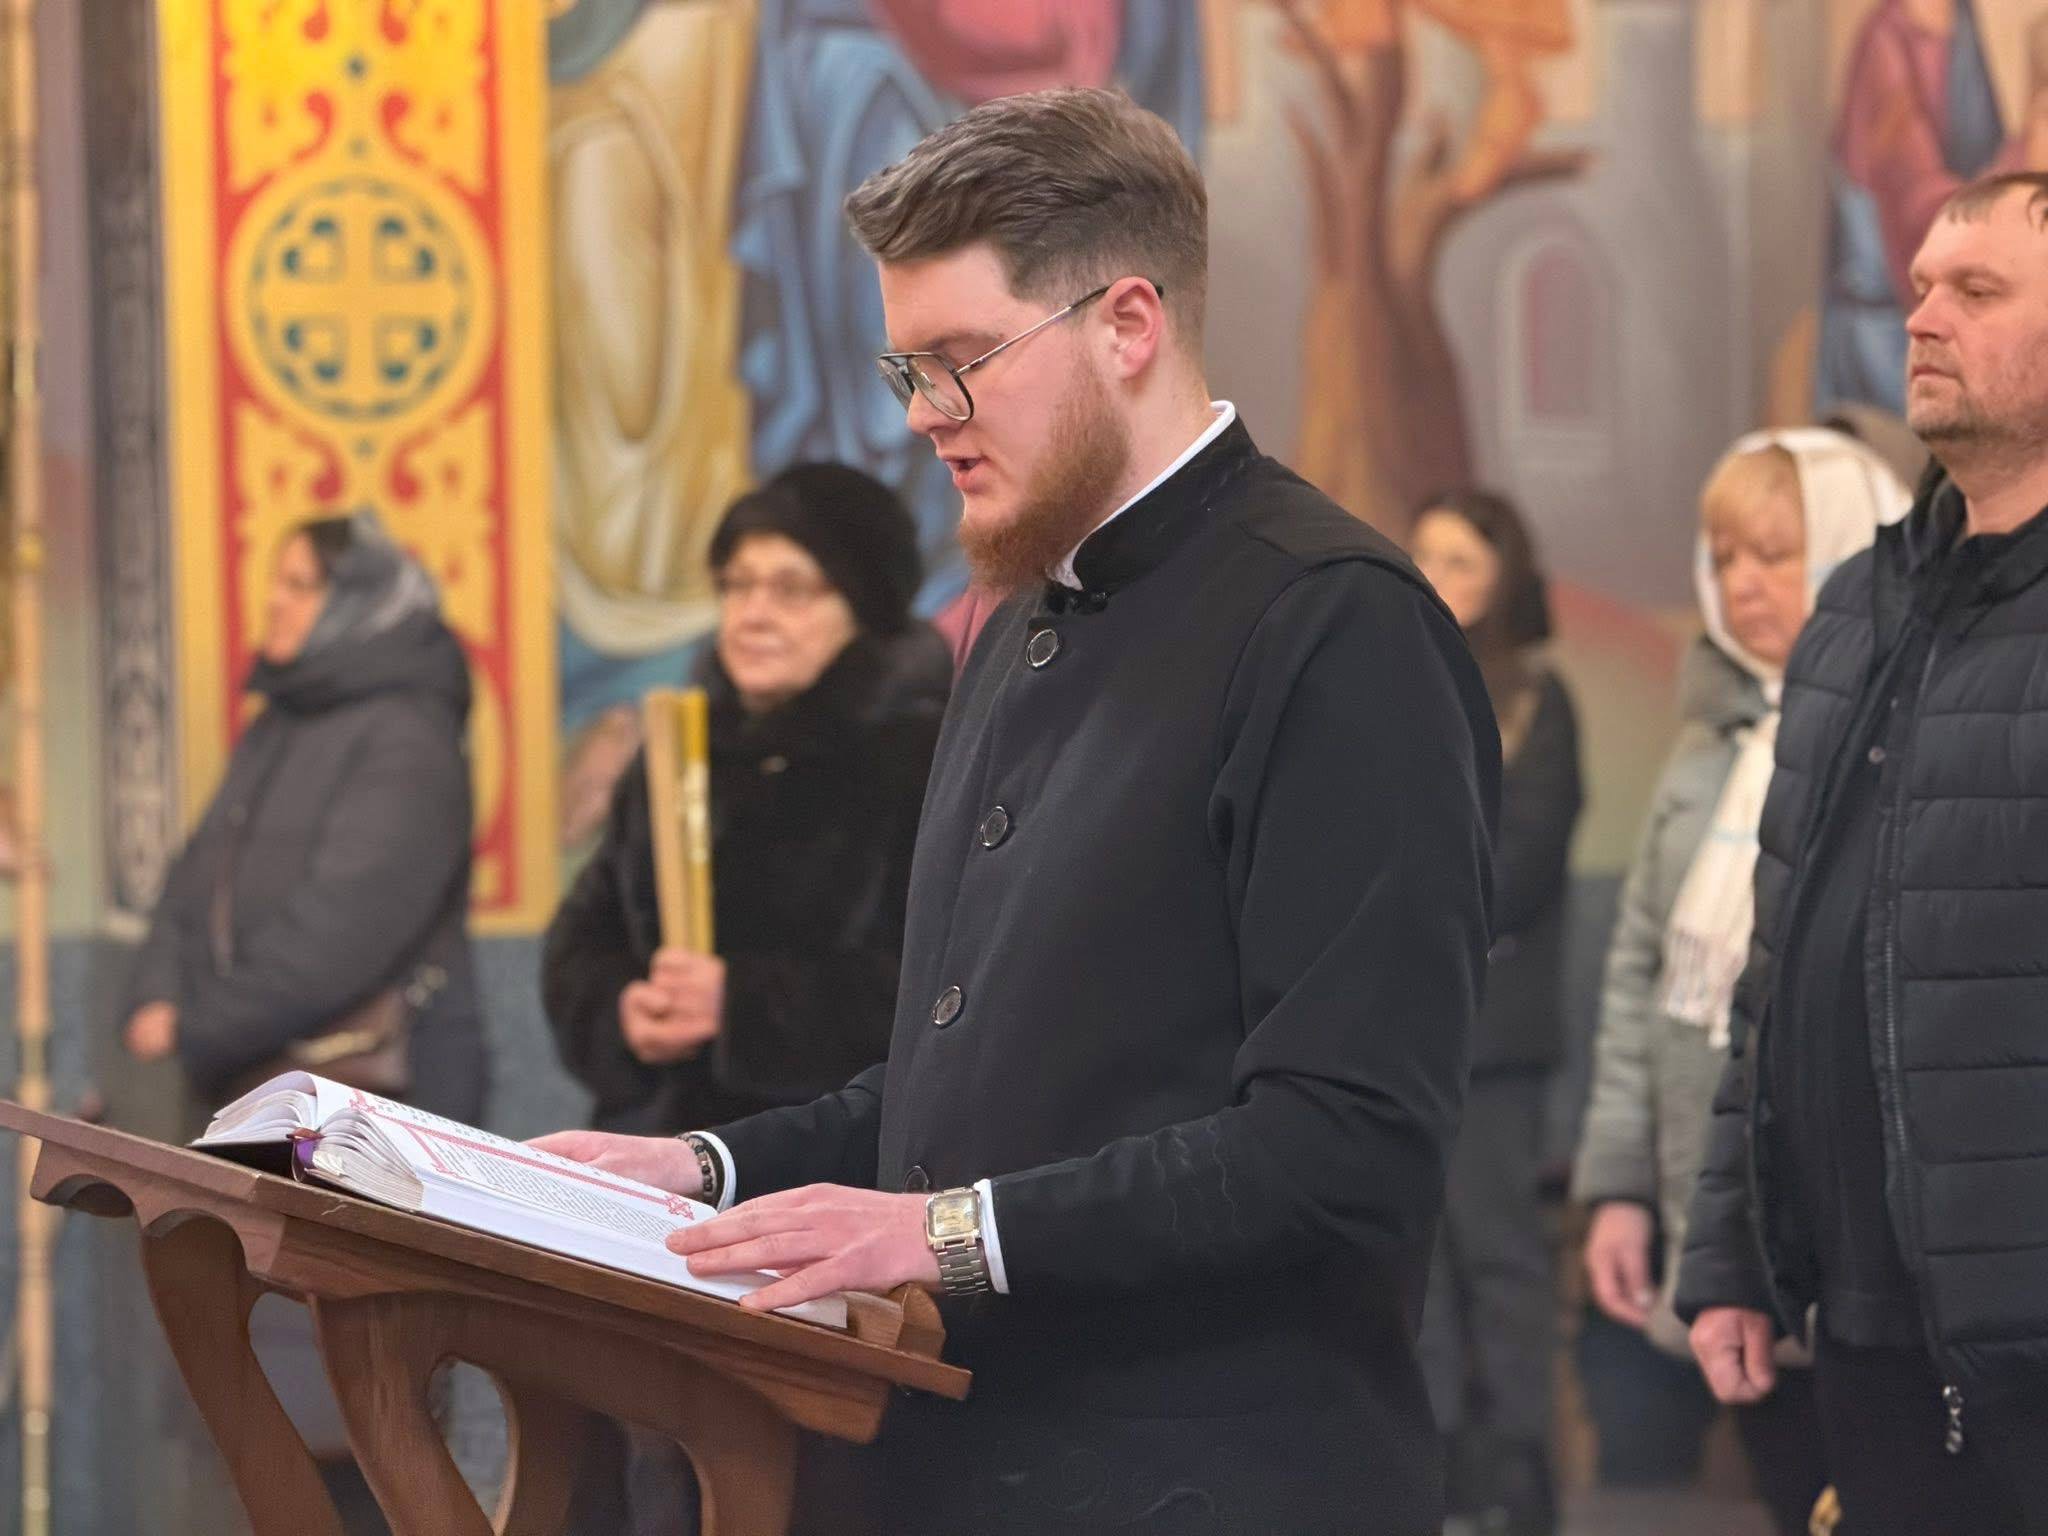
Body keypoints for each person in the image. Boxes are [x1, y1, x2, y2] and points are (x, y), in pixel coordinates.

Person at [536, 86, 1497, 1535]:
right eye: (906, 368)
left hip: (1205, 1482)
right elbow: (973, 1087)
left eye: (961, 362)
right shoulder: (1016, 620)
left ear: (1127, 325)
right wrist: (704, 1168)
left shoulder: (1335, 624)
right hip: (957, 1468)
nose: (924, 416)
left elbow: (1344, 1145)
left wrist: (938, 1237)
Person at [1678, 172, 2048, 1535]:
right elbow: (1776, 965)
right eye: (1922, 286)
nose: (1921, 317)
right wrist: (1731, 1253)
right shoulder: (1856, 609)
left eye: (1978, 291)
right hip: (1865, 1325)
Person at [544, 462, 947, 1536]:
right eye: (736, 585)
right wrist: (624, 1007)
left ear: (860, 605)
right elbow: (582, 936)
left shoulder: (917, 757)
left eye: (790, 588)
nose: (752, 613)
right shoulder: (678, 750)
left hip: (817, 1196)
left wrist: (747, 1004)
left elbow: (936, 990)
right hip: (650, 1180)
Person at [1573, 431, 1908, 1534]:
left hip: (1856, 1237)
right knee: (1786, 1491)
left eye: (1774, 553)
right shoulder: (1706, 743)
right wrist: (1621, 1187)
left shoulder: (1898, 732)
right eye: (1723, 558)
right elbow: (1638, 974)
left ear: (1853, 549)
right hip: (1713, 1201)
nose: (1742, 583)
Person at [121, 510, 483, 1125]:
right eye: (276, 581)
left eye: (299, 585)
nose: (272, 601)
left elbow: (347, 927)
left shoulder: (409, 734)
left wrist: (200, 1025)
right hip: (258, 1074)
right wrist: (156, 990)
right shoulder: (283, 718)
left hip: (372, 1101)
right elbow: (199, 871)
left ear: (361, 603)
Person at [1410, 490, 1583, 1536]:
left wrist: (1408, 897)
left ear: (1504, 578)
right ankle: (1429, 1472)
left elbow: (1520, 863)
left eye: (1461, 562)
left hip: (1494, 1034)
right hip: (1400, 1030)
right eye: (1423, 555)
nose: (1435, 579)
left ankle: (1516, 1477)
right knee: (1417, 1265)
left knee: (1499, 1259)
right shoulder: (1391, 677)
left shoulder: (1537, 699)